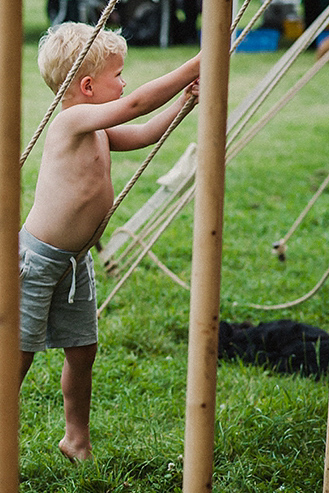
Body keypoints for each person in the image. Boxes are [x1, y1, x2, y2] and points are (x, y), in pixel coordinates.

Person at [20, 23, 199, 461]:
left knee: (83, 351)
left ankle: (75, 437)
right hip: (38, 261)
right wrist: (198, 62)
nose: (124, 83)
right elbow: (136, 106)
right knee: (17, 357)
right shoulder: (71, 122)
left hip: (75, 263)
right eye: (117, 75)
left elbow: (143, 133)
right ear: (86, 85)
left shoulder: (98, 127)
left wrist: (185, 104)